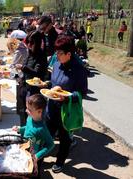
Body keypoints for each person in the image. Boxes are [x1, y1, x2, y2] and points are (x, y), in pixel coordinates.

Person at [45, 35, 88, 173]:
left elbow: (82, 93)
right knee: (46, 134)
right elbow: (53, 82)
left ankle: (60, 161)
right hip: (51, 107)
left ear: (69, 54)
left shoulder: (79, 70)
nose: (56, 55)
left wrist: (67, 97)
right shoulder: (57, 64)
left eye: (59, 53)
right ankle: (40, 157)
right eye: (56, 52)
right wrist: (46, 84)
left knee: (64, 139)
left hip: (66, 111)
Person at [12, 94, 54, 175]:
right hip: (26, 149)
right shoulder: (30, 118)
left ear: (39, 111)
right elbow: (28, 127)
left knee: (34, 172)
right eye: (27, 108)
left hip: (35, 155)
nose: (26, 111)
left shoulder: (42, 129)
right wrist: (20, 129)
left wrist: (38, 155)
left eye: (29, 110)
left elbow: (51, 144)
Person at [15, 31, 48, 125]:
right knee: (25, 111)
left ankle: (32, 133)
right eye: (28, 42)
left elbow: (37, 72)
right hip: (25, 86)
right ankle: (25, 129)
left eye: (31, 43)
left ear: (36, 43)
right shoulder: (30, 53)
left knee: (33, 114)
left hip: (34, 91)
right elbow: (26, 66)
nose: (29, 45)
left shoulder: (41, 55)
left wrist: (22, 67)